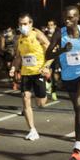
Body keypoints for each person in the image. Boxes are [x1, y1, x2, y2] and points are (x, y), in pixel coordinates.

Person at [45, 5, 80, 160]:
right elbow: (48, 53)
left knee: (79, 101)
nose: (67, 20)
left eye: (71, 17)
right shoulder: (59, 33)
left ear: (78, 17)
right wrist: (61, 50)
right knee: (78, 108)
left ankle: (77, 148)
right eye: (65, 18)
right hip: (69, 75)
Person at [11, 13, 51, 141]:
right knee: (25, 98)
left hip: (39, 72)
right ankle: (32, 130)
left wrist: (47, 66)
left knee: (41, 103)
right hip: (26, 73)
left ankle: (47, 87)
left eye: (25, 24)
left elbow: (50, 49)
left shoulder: (37, 34)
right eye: (20, 24)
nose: (23, 26)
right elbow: (18, 57)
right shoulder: (19, 39)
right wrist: (13, 68)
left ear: (30, 24)